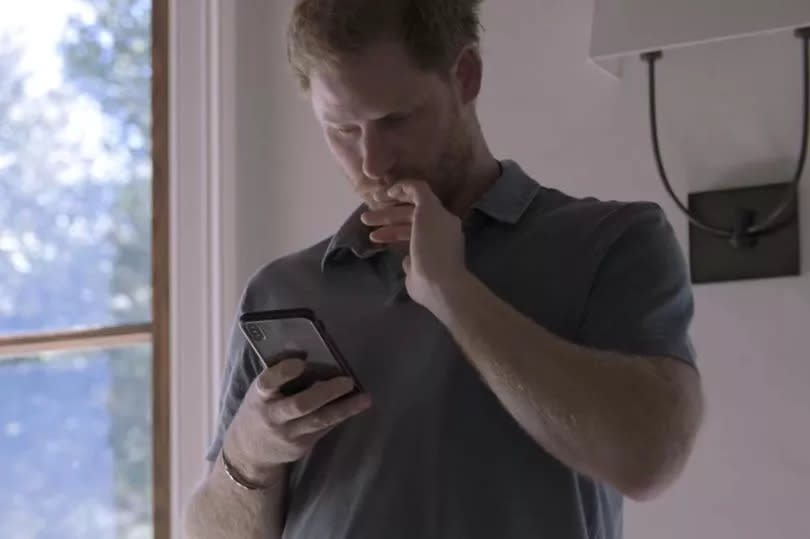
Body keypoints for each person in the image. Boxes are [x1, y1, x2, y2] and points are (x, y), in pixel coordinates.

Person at [185, 1, 705, 537]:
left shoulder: (612, 243)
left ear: (465, 75)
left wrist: (452, 291)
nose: (372, 162)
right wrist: (248, 454)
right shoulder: (281, 290)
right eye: (341, 129)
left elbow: (650, 461)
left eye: (395, 120)